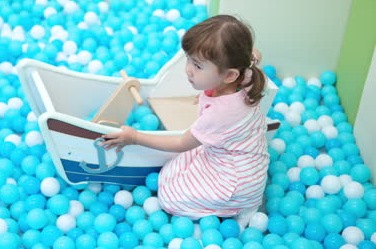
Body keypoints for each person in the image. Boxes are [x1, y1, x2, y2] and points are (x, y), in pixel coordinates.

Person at [102, 15, 269, 227]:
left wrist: (134, 137)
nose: (188, 69)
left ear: (229, 75)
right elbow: (256, 55)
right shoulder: (246, 72)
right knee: (170, 171)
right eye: (189, 59)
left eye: (198, 66)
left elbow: (181, 143)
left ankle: (237, 208)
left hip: (236, 182)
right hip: (231, 156)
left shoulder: (222, 113)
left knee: (169, 199)